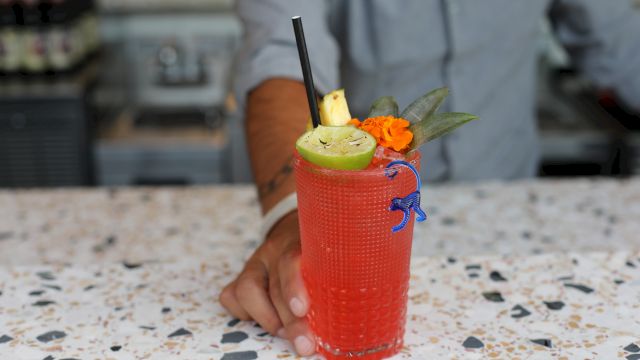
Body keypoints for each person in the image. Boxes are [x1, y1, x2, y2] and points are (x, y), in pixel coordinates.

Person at [220, 0, 640, 356]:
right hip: (356, 229)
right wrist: (298, 219)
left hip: (510, 222)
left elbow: (619, 41)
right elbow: (278, 56)